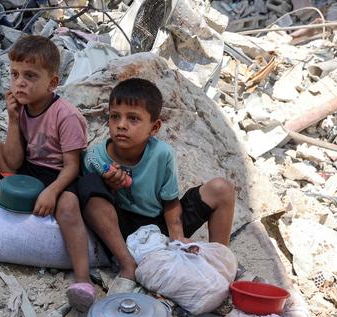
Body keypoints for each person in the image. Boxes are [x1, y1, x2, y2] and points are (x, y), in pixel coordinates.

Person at [0, 35, 95, 311]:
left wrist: (51, 191)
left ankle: (83, 279)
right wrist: (13, 119)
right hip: (28, 169)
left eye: (29, 76)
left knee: (69, 205)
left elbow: (73, 166)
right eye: (14, 75)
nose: (19, 83)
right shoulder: (21, 108)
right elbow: (13, 162)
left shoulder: (66, 115)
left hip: (59, 175)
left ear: (52, 82)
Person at [79, 78, 236, 293]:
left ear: (154, 128)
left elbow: (170, 202)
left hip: (160, 225)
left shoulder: (162, 154)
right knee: (88, 184)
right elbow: (92, 206)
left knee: (222, 188)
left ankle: (220, 263)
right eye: (115, 117)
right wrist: (110, 187)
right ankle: (127, 265)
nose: (121, 125)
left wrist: (177, 237)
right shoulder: (95, 158)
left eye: (133, 118)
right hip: (123, 229)